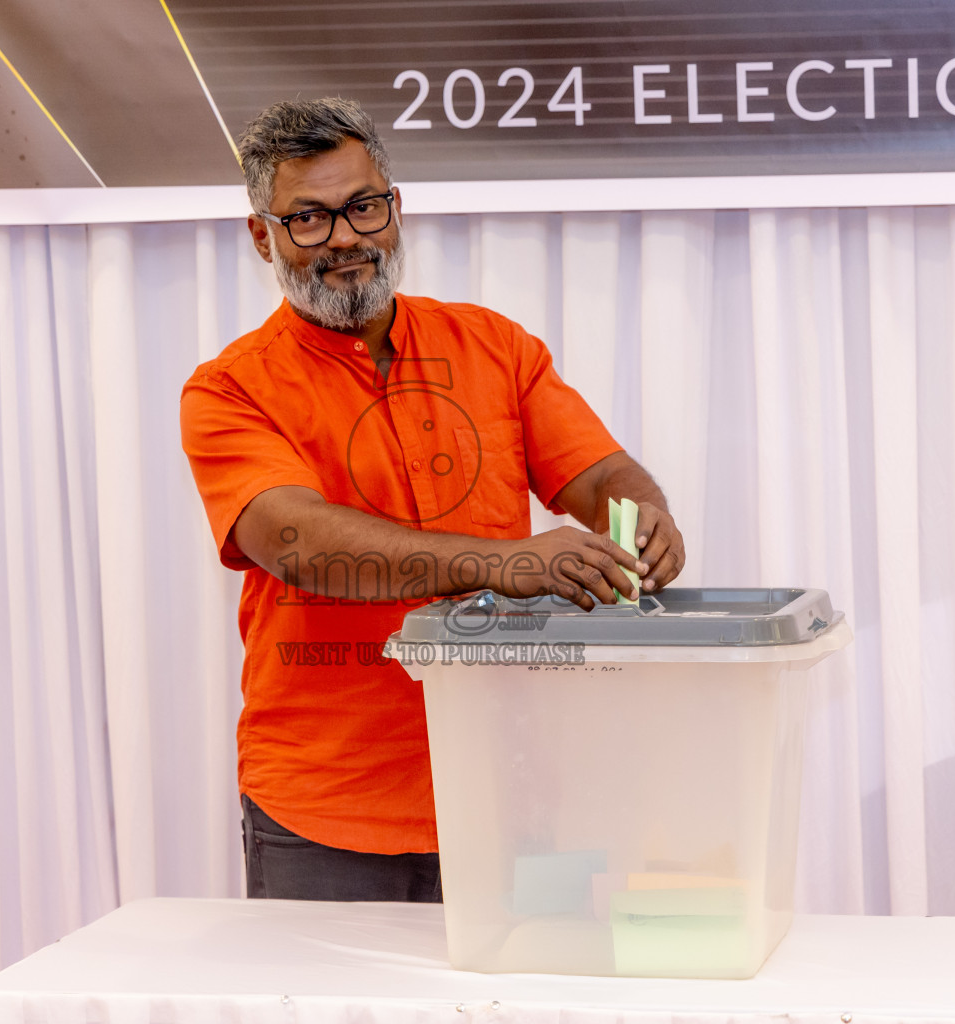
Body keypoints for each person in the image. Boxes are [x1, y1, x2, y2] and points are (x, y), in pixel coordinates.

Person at [180, 98, 685, 903]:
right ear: (261, 237)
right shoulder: (229, 388)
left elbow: (598, 475)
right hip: (327, 812)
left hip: (515, 795)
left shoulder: (495, 346)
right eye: (308, 218)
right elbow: (297, 543)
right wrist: (511, 565)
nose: (345, 236)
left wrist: (643, 515)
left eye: (363, 206)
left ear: (395, 209)